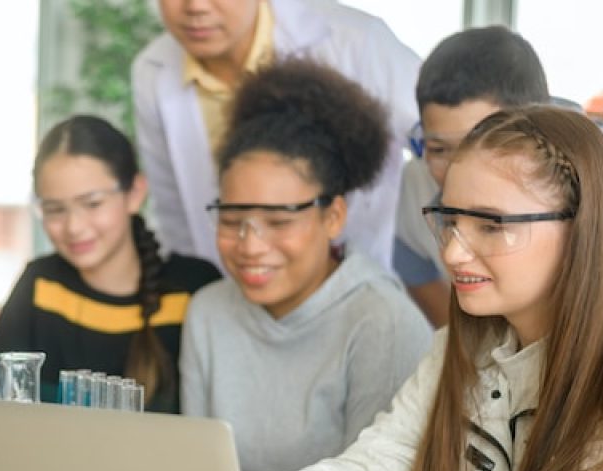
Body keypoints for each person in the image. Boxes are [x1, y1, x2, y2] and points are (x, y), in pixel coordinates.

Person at [246, 106, 603, 471]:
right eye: (451, 220)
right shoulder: (457, 350)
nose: (453, 252)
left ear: (579, 226)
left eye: (491, 225)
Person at [179, 58, 432, 471]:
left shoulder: (382, 322)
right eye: (231, 221)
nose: (250, 246)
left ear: (333, 216)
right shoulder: (209, 312)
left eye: (278, 222)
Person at [131, 0, 420, 270]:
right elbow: (174, 214)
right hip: (229, 289)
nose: (195, 7)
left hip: (347, 282)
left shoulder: (356, 41)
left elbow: (446, 143)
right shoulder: (152, 71)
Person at [394, 26, 603, 327]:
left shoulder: (602, 183)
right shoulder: (414, 185)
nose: (458, 168)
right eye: (438, 148)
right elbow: (412, 263)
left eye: (481, 140)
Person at [0, 115, 220, 413]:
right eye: (55, 210)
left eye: (92, 204)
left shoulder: (193, 289)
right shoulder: (41, 284)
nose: (74, 227)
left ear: (135, 193)